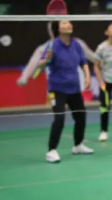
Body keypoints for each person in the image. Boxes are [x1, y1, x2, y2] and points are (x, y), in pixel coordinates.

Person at [39, 20, 94, 163]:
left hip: (73, 88)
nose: (67, 25)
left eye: (69, 23)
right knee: (59, 118)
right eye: (64, 23)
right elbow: (41, 65)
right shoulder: (52, 45)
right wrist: (46, 59)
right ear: (58, 29)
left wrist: (87, 77)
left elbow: (83, 62)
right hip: (57, 89)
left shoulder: (76, 45)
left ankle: (78, 145)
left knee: (80, 116)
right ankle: (51, 151)